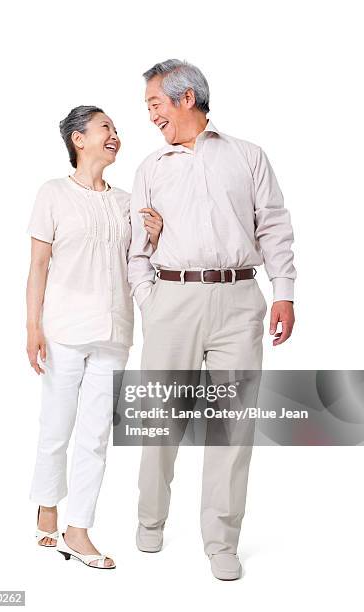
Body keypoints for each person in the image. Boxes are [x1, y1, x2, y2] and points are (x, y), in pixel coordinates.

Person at [127, 59, 296, 580]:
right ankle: (150, 519)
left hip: (239, 300)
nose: (150, 114)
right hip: (173, 300)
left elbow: (273, 226)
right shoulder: (151, 167)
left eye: (155, 103)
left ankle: (221, 540)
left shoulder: (247, 156)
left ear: (185, 98)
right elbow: (137, 249)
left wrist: (284, 292)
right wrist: (148, 299)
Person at [26, 105, 162, 569]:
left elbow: (141, 262)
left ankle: (78, 529)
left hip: (114, 330)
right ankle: (47, 501)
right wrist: (32, 328)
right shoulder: (53, 194)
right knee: (56, 426)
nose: (115, 135)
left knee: (96, 435)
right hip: (63, 328)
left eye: (116, 130)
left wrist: (155, 235)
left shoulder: (126, 201)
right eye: (106, 128)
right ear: (78, 139)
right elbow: (38, 266)